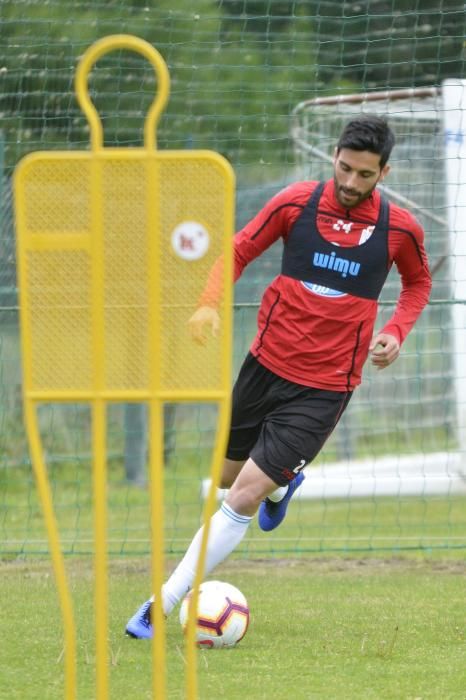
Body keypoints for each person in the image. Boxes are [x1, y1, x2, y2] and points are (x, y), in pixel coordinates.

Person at [125, 114, 432, 638]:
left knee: (237, 497)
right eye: (345, 168)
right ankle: (280, 485)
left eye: (365, 174)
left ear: (385, 172)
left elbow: (418, 283)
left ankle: (159, 605)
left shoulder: (400, 229)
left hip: (326, 385)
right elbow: (240, 249)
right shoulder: (296, 203)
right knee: (226, 478)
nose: (351, 182)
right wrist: (207, 305)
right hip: (263, 366)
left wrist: (396, 333)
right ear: (333, 156)